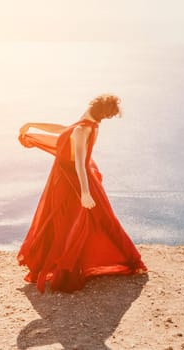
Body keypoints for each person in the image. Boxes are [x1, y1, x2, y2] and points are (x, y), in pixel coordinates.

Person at [17, 94, 147, 293]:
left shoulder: (82, 129)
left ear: (93, 106)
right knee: (94, 220)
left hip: (72, 182)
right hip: (69, 178)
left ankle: (76, 268)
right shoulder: (87, 125)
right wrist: (33, 124)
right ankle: (115, 260)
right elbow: (63, 130)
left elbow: (80, 163)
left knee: (73, 223)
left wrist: (85, 193)